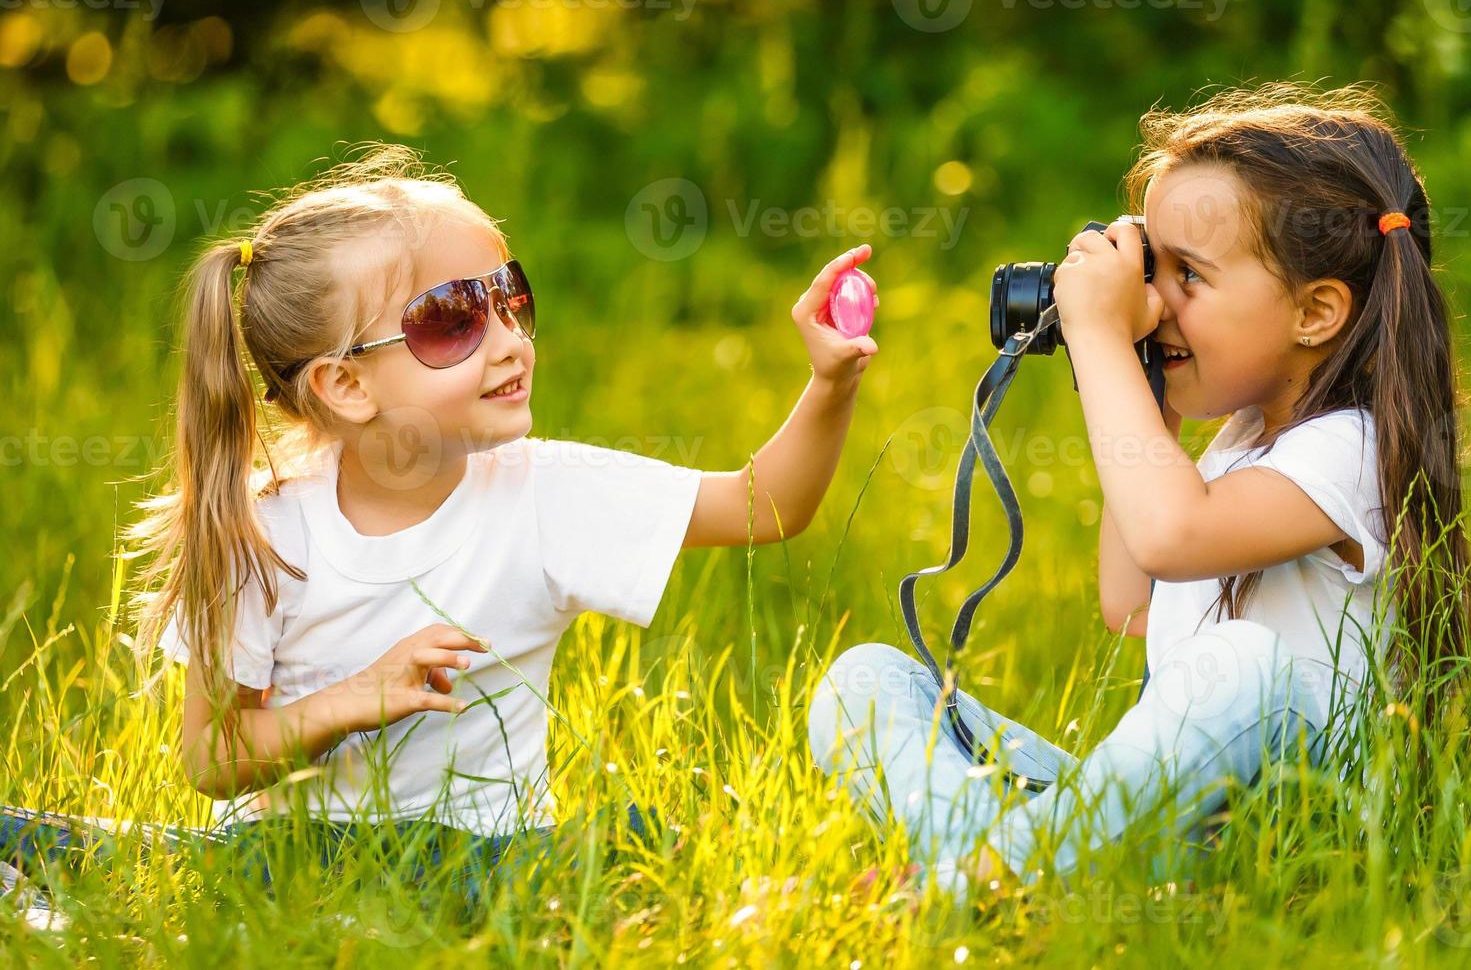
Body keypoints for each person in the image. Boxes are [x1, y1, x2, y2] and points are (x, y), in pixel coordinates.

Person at [2, 145, 881, 894]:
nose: (508, 340)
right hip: (293, 861)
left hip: (498, 860)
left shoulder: (543, 494)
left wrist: (830, 380)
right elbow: (212, 760)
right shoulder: (265, 536)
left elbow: (764, 505)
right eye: (448, 320)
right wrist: (356, 700)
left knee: (634, 843)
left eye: (508, 297)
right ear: (344, 386)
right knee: (78, 850)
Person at [808, 83, 1468, 893]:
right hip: (1165, 818)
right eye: (1151, 269)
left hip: (1285, 835)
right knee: (868, 682)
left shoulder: (1351, 449)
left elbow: (1169, 538)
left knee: (1243, 663)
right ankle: (989, 865)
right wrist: (1144, 398)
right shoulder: (1241, 443)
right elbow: (1131, 601)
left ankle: (976, 876)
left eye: (1186, 276)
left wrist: (1093, 335)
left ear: (1315, 311)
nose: (1152, 306)